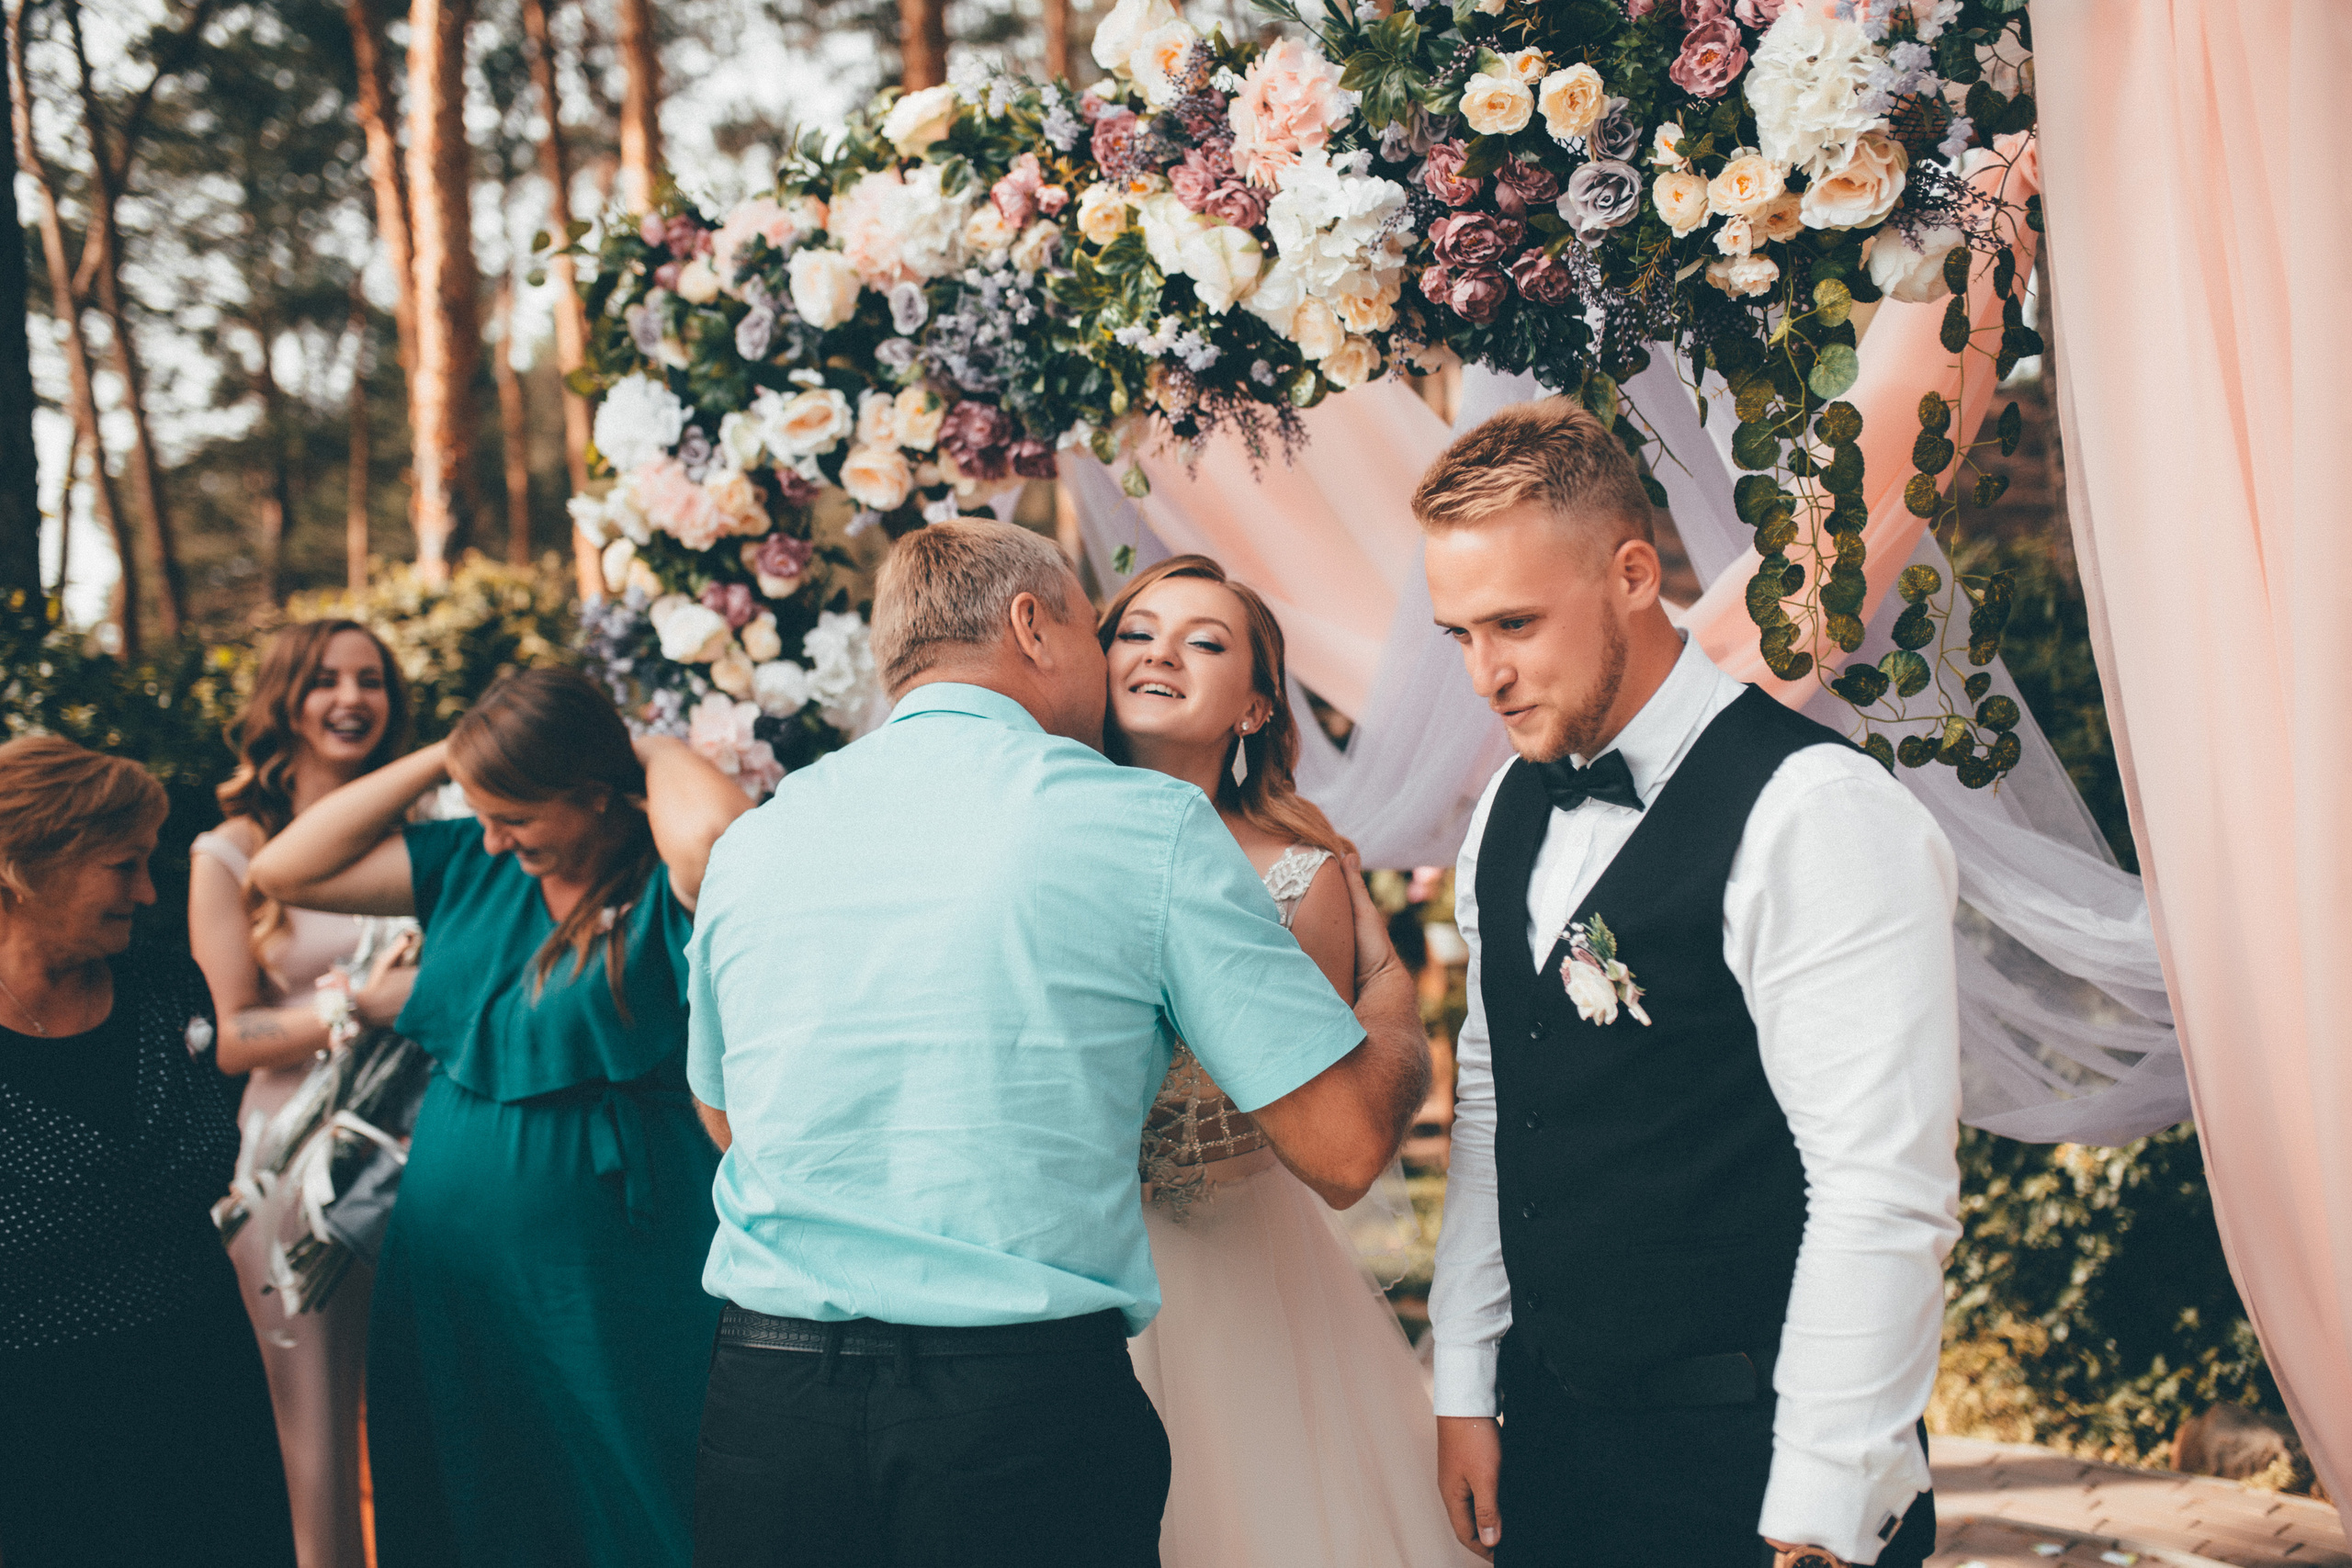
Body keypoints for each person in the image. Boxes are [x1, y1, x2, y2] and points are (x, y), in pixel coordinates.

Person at [685, 518, 1430, 1568]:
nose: (1121, 659)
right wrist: (1391, 995)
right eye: (1100, 628)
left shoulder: (755, 841)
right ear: (1034, 628)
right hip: (1009, 1417)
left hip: (765, 1407)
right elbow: (1348, 1149)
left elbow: (726, 1117)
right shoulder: (1142, 826)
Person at [1418, 399, 1962, 1568]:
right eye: (1456, 634)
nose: (1484, 674)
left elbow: (1880, 1189)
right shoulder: (1506, 812)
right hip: (1556, 1450)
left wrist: (1822, 1506)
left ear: (1629, 573)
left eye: (1512, 622)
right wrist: (1464, 1382)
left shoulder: (1815, 814)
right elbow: (1496, 1103)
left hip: (1752, 1465)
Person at [247, 668, 752, 1568]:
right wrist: (460, 750)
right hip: (448, 1268)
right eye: (481, 809)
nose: (491, 835)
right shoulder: (474, 865)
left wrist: (641, 744)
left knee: (631, 1476)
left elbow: (716, 836)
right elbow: (286, 867)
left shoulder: (663, 879)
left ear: (596, 797)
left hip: (609, 1271)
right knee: (471, 1485)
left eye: (514, 812)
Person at [1102, 554, 1482, 1568]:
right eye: (1137, 632)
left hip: (1211, 1267)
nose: (1162, 653)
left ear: (1256, 709)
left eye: (1205, 641)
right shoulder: (1053, 830)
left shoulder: (1293, 874)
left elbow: (1284, 1120)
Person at [0, 735, 297, 1568]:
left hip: (202, 1385)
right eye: (121, 866)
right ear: (24, 865)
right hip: (36, 1429)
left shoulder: (167, 988)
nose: (148, 890)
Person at [188, 619, 414, 1568]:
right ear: (286, 700)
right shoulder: (232, 851)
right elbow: (231, 1035)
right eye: (325, 681)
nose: (351, 699)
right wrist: (362, 1009)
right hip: (293, 1178)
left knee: (421, 1413)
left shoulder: (427, 834)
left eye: (370, 680)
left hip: (425, 1156)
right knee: (313, 1436)